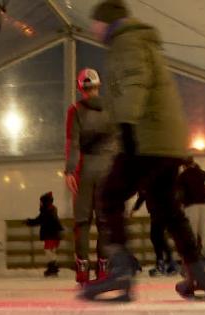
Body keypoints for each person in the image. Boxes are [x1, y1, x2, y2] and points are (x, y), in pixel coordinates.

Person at [81, 0, 205, 302]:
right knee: (167, 207)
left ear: (107, 21)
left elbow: (134, 84)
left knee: (109, 195)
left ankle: (121, 273)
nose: (92, 28)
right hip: (165, 141)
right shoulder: (139, 40)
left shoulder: (126, 42)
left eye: (96, 23)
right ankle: (199, 273)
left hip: (147, 138)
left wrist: (126, 130)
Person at [66, 68, 117, 287]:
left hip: (85, 169)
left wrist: (69, 170)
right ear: (98, 85)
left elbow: (73, 143)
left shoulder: (75, 110)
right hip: (107, 170)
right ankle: (104, 269)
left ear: (80, 88)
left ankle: (83, 271)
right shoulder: (112, 110)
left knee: (82, 222)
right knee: (105, 222)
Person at [132, 191, 177, 277]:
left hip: (159, 210)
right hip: (158, 210)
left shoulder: (146, 181)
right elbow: (143, 196)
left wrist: (135, 208)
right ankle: (169, 262)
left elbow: (142, 196)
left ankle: (162, 263)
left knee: (156, 236)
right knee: (158, 237)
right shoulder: (146, 182)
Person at [25, 192, 65, 278]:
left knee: (48, 251)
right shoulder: (50, 210)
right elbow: (41, 220)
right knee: (51, 251)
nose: (40, 204)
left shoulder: (47, 211)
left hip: (51, 235)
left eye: (41, 202)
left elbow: (39, 220)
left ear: (45, 202)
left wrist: (29, 222)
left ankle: (53, 268)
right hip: (54, 234)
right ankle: (53, 268)